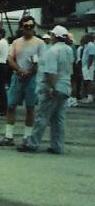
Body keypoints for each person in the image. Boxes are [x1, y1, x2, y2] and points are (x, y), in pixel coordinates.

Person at [21, 26, 74, 154]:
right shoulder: (69, 50)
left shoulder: (52, 51)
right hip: (65, 86)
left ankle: (32, 144)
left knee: (43, 117)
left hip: (53, 87)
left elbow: (51, 72)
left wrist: (51, 87)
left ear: (54, 36)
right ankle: (57, 146)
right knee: (58, 118)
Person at [0, 16, 45, 148]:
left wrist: (29, 72)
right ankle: (9, 136)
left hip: (32, 79)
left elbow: (42, 61)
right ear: (21, 27)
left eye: (30, 26)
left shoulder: (40, 43)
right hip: (17, 77)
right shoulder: (16, 42)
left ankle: (27, 137)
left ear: (34, 27)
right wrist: (19, 70)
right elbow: (10, 58)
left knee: (30, 107)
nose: (28, 29)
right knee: (11, 106)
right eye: (25, 26)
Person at [82, 33, 95, 103]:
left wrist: (88, 66)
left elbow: (91, 56)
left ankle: (90, 97)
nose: (83, 39)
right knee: (86, 81)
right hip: (85, 66)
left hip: (88, 66)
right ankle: (87, 96)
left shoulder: (90, 45)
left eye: (84, 37)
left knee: (89, 81)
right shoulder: (87, 45)